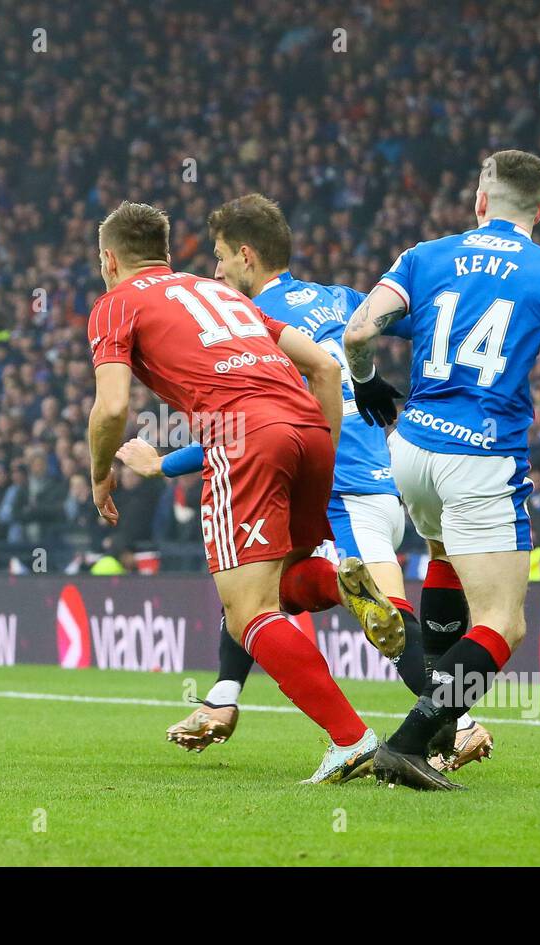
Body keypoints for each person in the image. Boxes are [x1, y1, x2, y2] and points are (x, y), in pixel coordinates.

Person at [116, 194, 490, 772]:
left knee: (383, 618)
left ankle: (458, 722)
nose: (215, 272)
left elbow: (243, 425)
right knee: (259, 583)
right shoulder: (340, 298)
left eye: (219, 258)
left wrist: (161, 464)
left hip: (343, 490)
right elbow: (414, 325)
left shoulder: (247, 323)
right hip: (383, 480)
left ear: (246, 256)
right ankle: (223, 695)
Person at [343, 149, 540, 790]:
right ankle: (411, 741)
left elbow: (360, 331)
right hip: (481, 456)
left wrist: (366, 384)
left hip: (412, 449)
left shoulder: (424, 255)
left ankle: (441, 733)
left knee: (444, 558)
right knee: (503, 624)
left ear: (480, 203)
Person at [86, 200, 401, 783]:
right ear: (166, 251)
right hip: (310, 432)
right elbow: (325, 369)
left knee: (248, 615)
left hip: (245, 439)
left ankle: (351, 739)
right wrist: (321, 448)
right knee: (284, 585)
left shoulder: (116, 304)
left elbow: (110, 408)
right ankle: (341, 583)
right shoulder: (229, 296)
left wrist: (100, 471)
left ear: (109, 259)